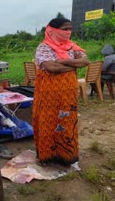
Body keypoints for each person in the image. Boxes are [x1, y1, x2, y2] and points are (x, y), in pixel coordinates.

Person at [32, 18, 90, 166]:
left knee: (67, 122)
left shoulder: (72, 47)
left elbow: (85, 61)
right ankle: (47, 156)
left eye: (70, 29)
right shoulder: (43, 47)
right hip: (48, 94)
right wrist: (73, 65)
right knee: (48, 122)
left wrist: (62, 61)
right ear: (52, 30)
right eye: (65, 29)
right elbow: (52, 68)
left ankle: (66, 156)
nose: (68, 32)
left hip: (68, 94)